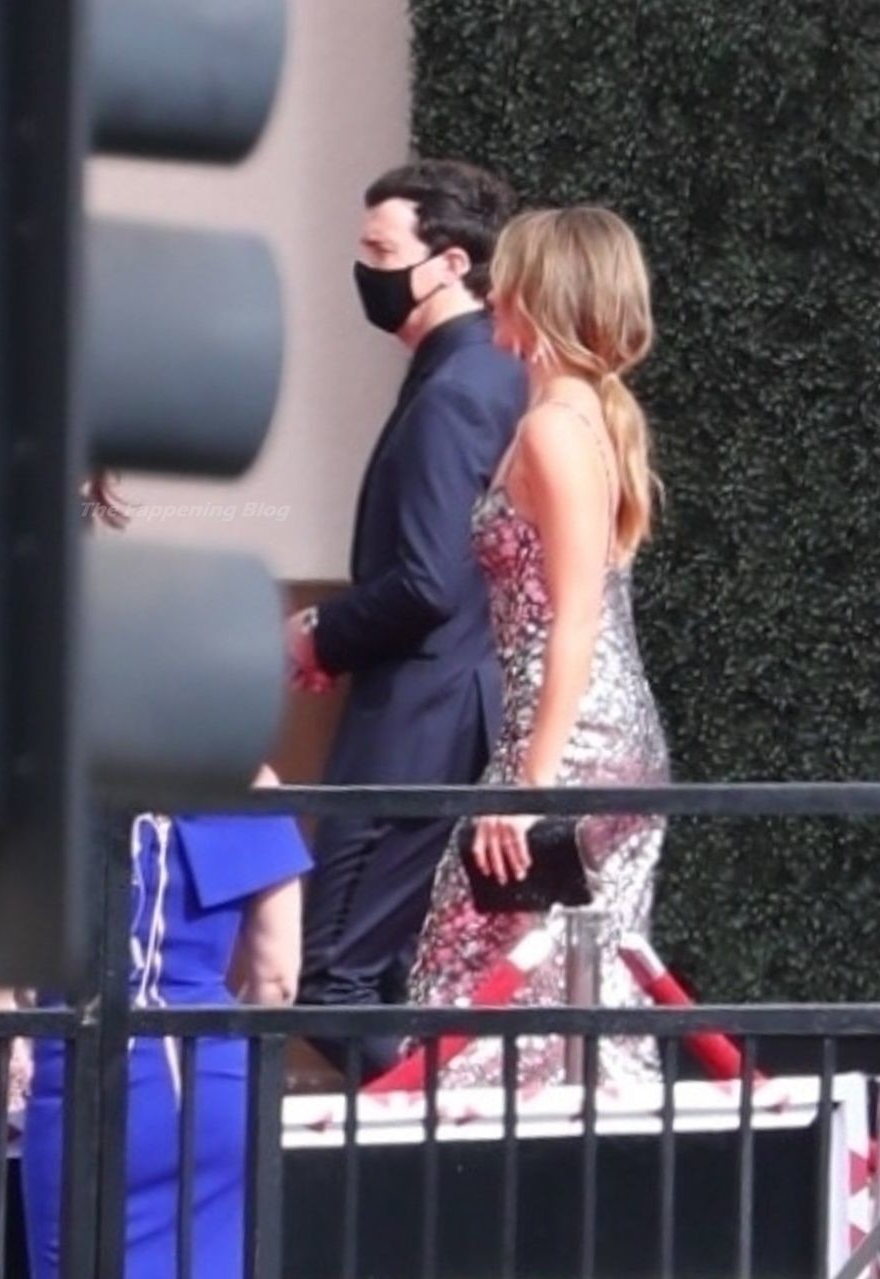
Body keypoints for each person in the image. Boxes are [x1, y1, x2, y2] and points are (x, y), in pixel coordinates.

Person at [406, 207, 672, 1090]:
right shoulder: (586, 415)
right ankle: (597, 1148)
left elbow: (574, 617)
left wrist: (530, 788)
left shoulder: (558, 428)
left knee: (469, 976)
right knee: (580, 986)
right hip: (600, 732)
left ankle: (474, 1159)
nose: (491, 295)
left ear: (540, 295)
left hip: (572, 737)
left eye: (507, 278)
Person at [287, 160, 526, 1074]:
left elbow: (428, 580)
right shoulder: (486, 373)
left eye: (382, 251)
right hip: (446, 706)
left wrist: (321, 633)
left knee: (333, 980)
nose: (366, 271)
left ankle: (454, 1133)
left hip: (418, 719)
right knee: (391, 977)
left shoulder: (458, 387)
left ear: (452, 262)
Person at [20, 779, 309, 1279]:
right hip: (213, 1068)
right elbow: (277, 980)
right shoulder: (246, 775)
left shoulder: (47, 769)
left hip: (85, 1067)